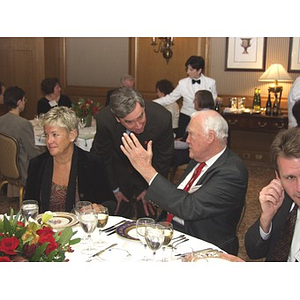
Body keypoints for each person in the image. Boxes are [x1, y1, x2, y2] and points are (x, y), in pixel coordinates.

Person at [120, 109, 248, 255]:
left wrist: (146, 170)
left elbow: (189, 207)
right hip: (172, 231)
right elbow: (180, 194)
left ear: (210, 137)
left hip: (203, 247)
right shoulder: (198, 158)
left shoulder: (232, 172)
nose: (187, 140)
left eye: (191, 134)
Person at [91, 87, 174, 219]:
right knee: (119, 214)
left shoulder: (162, 118)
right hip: (118, 169)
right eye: (129, 122)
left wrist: (150, 189)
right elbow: (102, 157)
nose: (138, 125)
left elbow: (164, 158)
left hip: (151, 169)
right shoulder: (105, 120)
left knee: (148, 214)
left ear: (143, 107)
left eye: (140, 116)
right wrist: (114, 189)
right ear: (117, 119)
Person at [25, 106, 116, 214]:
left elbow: (110, 203)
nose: (49, 141)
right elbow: (28, 204)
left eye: (55, 135)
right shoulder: (37, 164)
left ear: (72, 135)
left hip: (80, 228)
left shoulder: (92, 163)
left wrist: (100, 208)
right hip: (45, 228)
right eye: (46, 135)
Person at [245, 127, 300, 262]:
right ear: (278, 177)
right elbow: (253, 251)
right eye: (290, 178)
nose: (299, 188)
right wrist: (266, 218)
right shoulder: (282, 200)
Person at [153, 55, 217, 138]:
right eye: (187, 69)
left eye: (191, 69)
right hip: (186, 117)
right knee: (184, 141)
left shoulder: (210, 82)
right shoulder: (182, 83)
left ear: (199, 70)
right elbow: (170, 98)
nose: (187, 72)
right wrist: (152, 103)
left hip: (204, 117)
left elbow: (213, 101)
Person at [0, 86, 41, 189]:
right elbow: (33, 153)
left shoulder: (1, 120)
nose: (24, 102)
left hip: (5, 168)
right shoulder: (23, 124)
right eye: (24, 100)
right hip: (22, 169)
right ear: (18, 102)